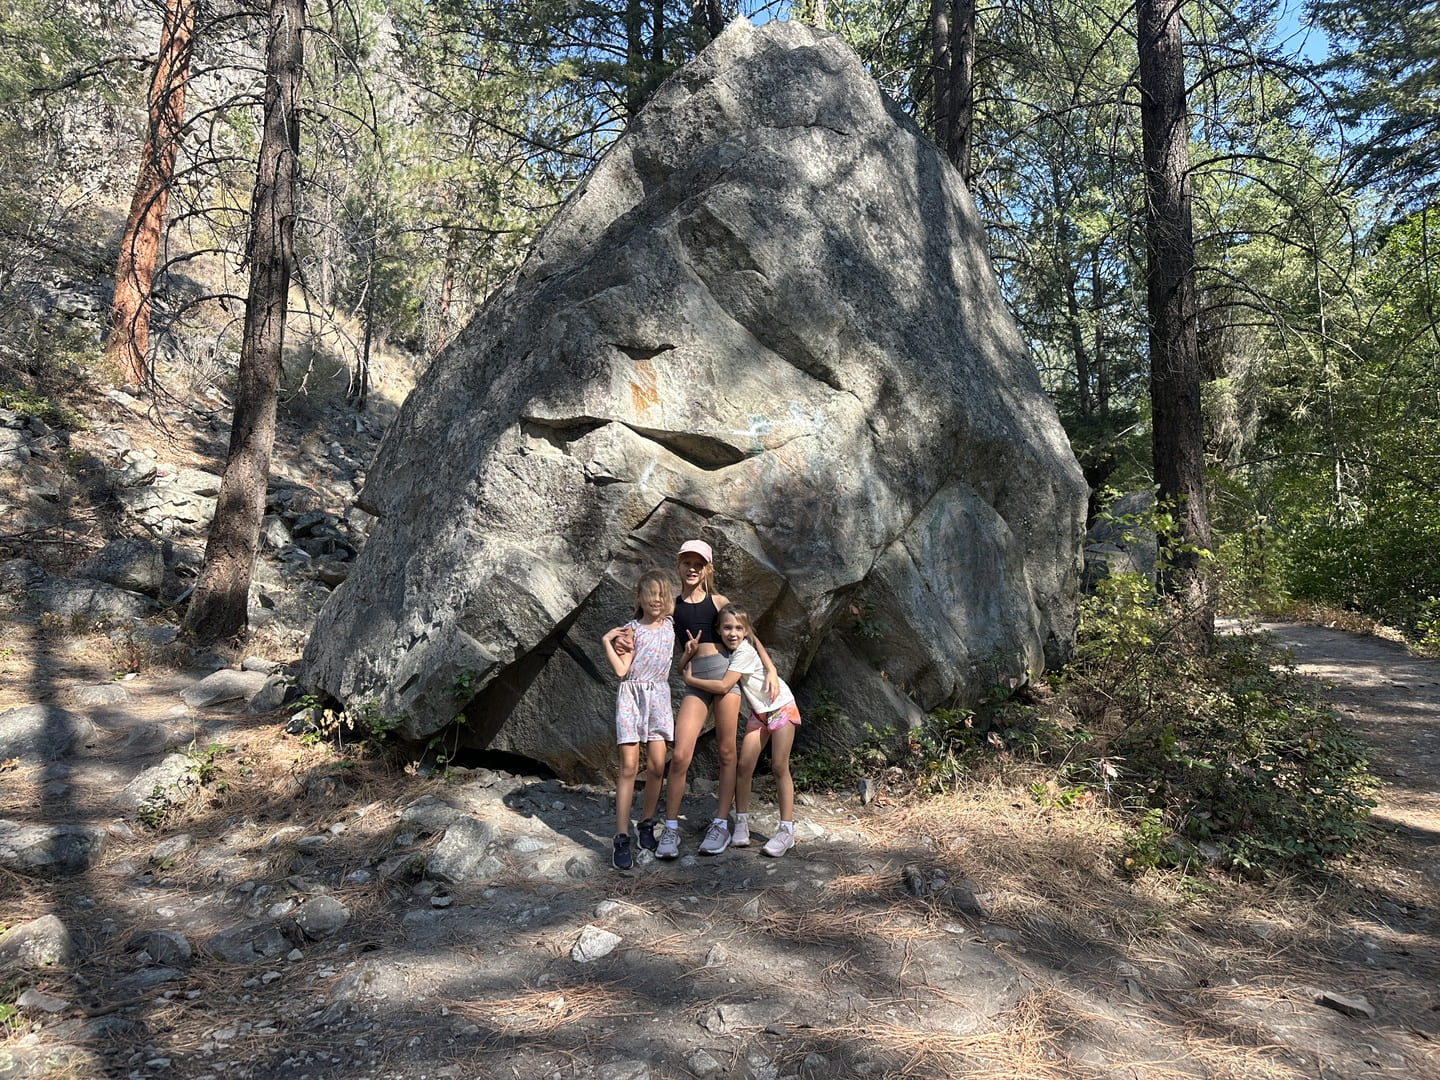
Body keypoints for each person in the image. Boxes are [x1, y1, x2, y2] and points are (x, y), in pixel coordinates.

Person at [651, 539, 779, 859]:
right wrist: (685, 656)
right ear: (678, 565)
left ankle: (721, 823)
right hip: (695, 681)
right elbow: (672, 655)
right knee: (681, 754)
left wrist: (771, 669)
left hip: (724, 677)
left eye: (699, 564)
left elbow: (749, 636)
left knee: (726, 752)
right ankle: (670, 828)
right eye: (687, 562)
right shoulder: (671, 609)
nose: (692, 568)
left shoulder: (719, 601)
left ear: (708, 569)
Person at [681, 602, 801, 858]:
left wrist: (690, 680)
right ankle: (742, 823)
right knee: (744, 766)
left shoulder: (742, 652)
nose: (732, 633)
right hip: (759, 712)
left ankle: (786, 830)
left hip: (781, 707)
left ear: (745, 631)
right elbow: (756, 640)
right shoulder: (733, 648)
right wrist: (770, 667)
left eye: (738, 628)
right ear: (718, 629)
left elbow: (724, 686)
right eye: (727, 628)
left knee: (779, 767)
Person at [601, 568, 676, 870]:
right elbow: (621, 670)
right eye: (650, 594)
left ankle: (646, 823)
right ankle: (621, 836)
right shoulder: (631, 630)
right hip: (632, 699)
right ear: (639, 597)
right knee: (629, 767)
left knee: (657, 766)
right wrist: (607, 641)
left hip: (658, 698)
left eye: (661, 595)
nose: (656, 600)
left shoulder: (670, 625)